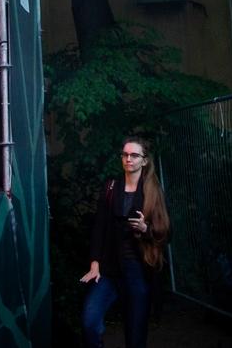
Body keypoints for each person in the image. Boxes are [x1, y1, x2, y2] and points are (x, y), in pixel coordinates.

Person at [81, 136, 170, 348]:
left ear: (144, 160)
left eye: (134, 155)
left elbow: (167, 233)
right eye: (125, 154)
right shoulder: (111, 187)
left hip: (138, 270)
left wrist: (145, 229)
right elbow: (99, 227)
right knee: (89, 322)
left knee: (135, 334)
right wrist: (95, 263)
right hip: (109, 270)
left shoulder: (152, 192)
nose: (128, 159)